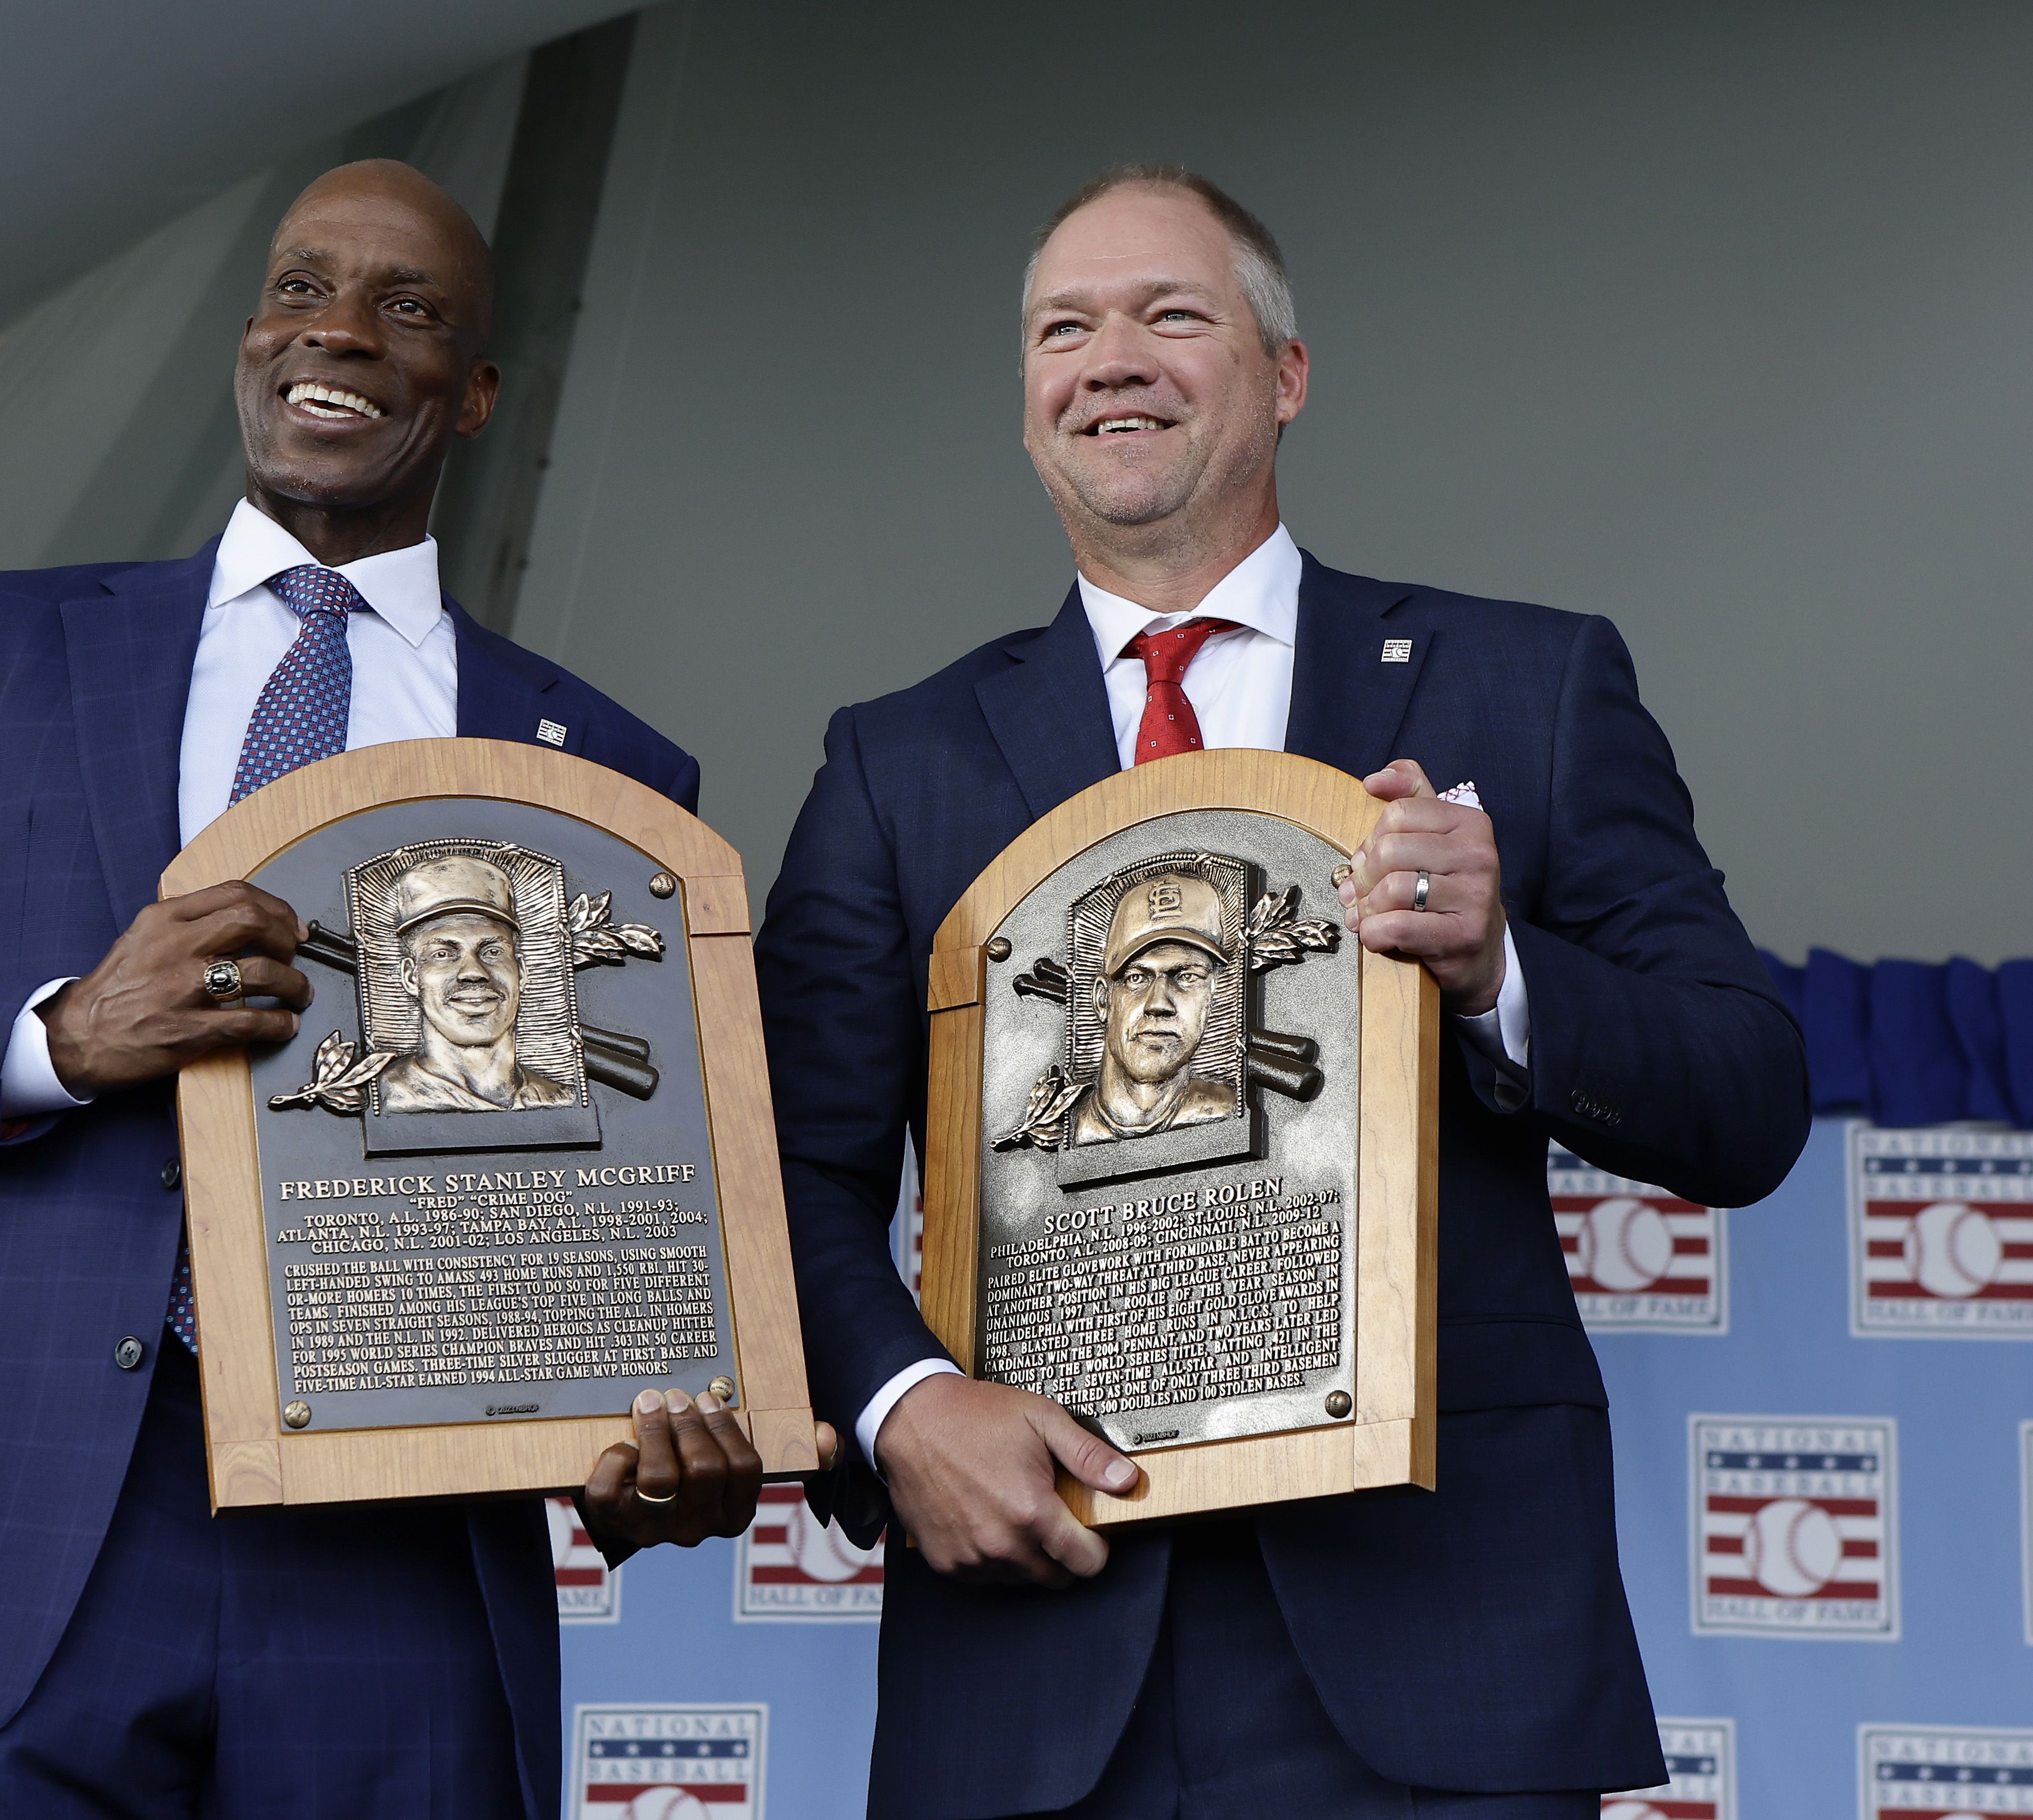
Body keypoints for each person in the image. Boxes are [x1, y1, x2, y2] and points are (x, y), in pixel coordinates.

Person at [0, 160, 794, 1820]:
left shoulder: (603, 770)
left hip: (395, 1587)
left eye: (407, 308)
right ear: (251, 335)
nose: (337, 330)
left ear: (475, 393)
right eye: (301, 287)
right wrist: (51, 1037)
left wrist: (643, 1464)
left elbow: (620, 1225)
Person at [756, 163, 1808, 1818]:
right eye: (1064, 328)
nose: (1111, 359)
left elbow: (1747, 1100)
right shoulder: (896, 765)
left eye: (1172, 314)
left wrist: (1499, 969)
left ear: (1286, 374)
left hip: (1442, 1646)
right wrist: (901, 1408)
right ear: (1028, 399)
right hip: (1036, 1665)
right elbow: (789, 1180)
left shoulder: (1526, 689)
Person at [376, 854, 576, 1112]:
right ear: (411, 977)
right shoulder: (387, 1097)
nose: (473, 972)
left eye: (493, 952)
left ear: (522, 972)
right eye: (443, 954)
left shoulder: (560, 1099)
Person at [1070, 868, 1239, 1144]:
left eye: (1187, 977)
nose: (1159, 1004)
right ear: (1103, 999)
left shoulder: (1227, 1110)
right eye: (1137, 978)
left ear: (1211, 996)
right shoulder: (1062, 1127)